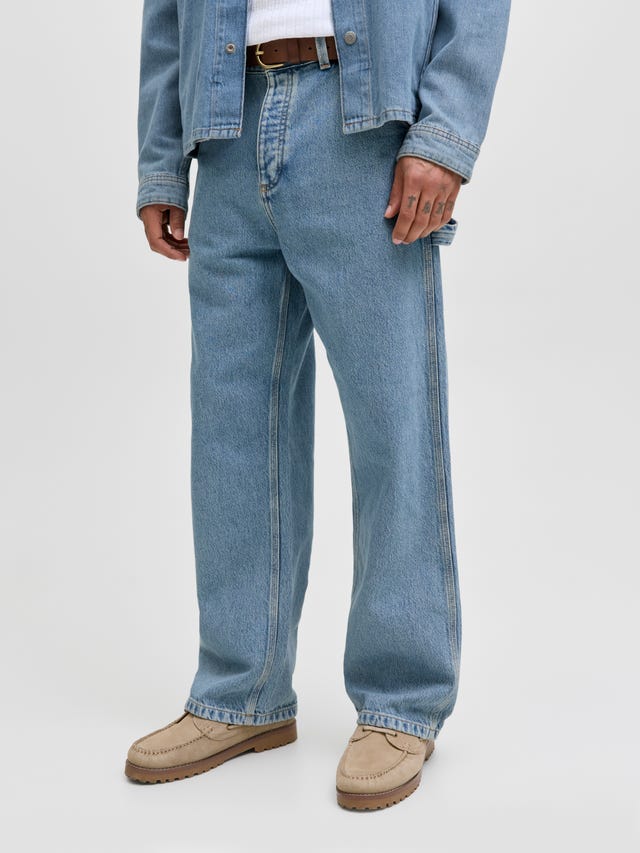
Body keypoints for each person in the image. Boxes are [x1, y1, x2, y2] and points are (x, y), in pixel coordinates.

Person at [125, 0, 510, 810]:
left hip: (360, 128)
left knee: (392, 427)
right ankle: (242, 690)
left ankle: (401, 700)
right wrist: (161, 159)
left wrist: (444, 133)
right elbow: (166, 14)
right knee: (230, 434)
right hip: (225, 127)